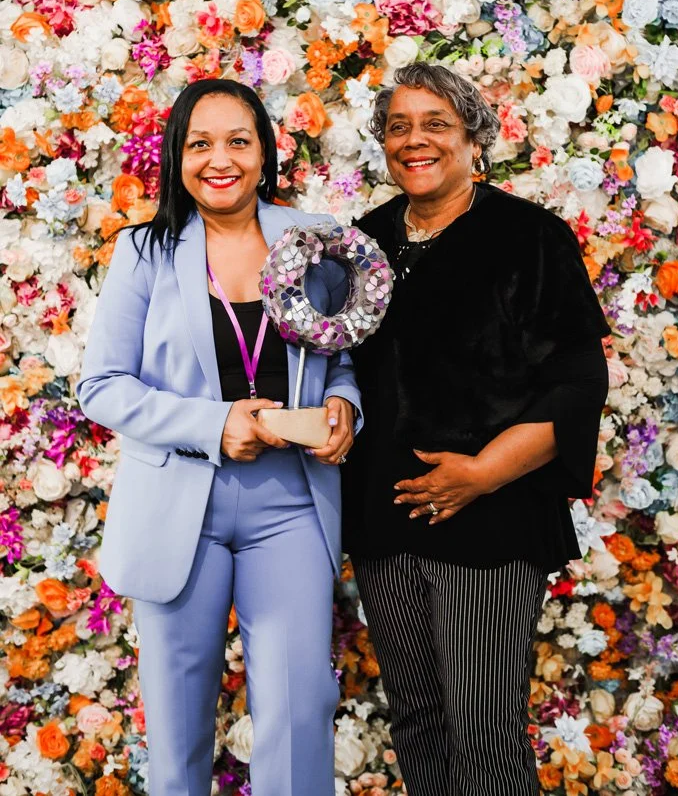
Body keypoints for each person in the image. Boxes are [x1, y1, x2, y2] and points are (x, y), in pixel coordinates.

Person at [77, 78, 362, 796]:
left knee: (300, 714)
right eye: (200, 143)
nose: (220, 159)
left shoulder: (316, 236)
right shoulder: (144, 251)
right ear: (177, 157)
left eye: (238, 140)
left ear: (265, 152)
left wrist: (345, 407)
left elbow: (342, 349)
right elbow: (102, 385)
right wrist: (214, 424)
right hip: (179, 508)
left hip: (291, 505)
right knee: (176, 732)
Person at [342, 63, 610, 796]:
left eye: (435, 124)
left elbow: (579, 384)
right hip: (384, 519)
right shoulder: (362, 244)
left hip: (491, 522)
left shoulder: (529, 237)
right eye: (398, 126)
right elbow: (337, 372)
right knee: (418, 723)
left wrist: (482, 473)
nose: (414, 140)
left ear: (473, 138)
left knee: (484, 734)